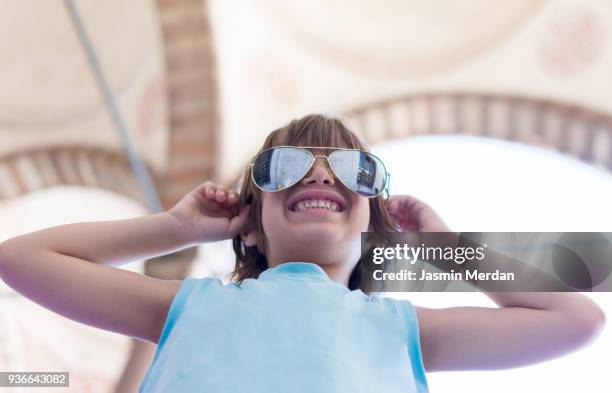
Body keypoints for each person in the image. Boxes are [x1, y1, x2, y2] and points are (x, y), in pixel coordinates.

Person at [0, 114, 605, 392]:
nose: (319, 177)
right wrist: (175, 227)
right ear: (251, 223)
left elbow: (577, 320)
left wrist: (448, 250)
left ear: (373, 215)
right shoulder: (189, 305)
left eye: (350, 170)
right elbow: (22, 258)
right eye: (284, 168)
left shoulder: (402, 329)